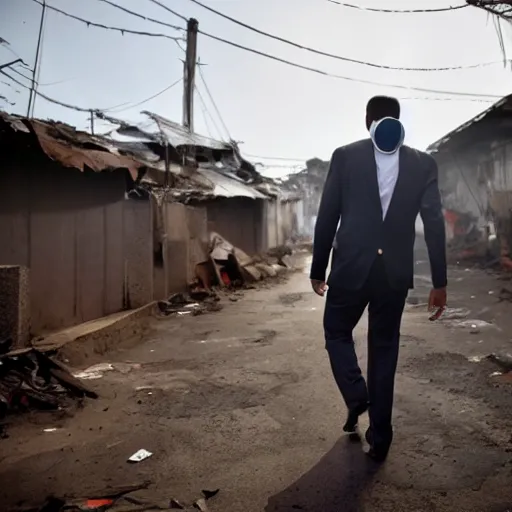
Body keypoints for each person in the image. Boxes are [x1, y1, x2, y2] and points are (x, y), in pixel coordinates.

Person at [310, 95, 447, 462]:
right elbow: (433, 224)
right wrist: (439, 281)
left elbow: (328, 217)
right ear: (397, 120)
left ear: (366, 120)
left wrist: (317, 269)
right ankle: (380, 438)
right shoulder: (423, 163)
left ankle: (357, 396)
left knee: (336, 331)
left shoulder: (345, 156)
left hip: (351, 267)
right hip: (394, 274)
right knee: (384, 349)